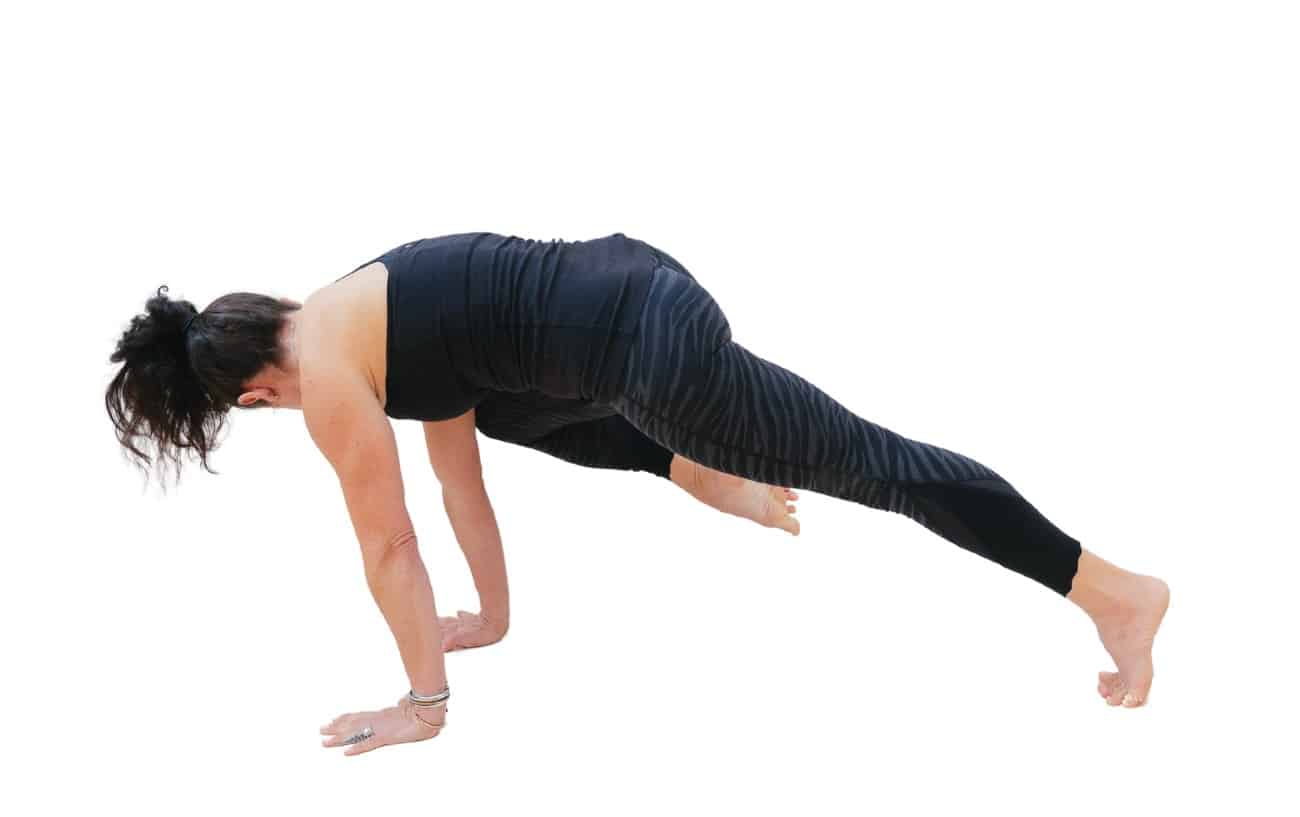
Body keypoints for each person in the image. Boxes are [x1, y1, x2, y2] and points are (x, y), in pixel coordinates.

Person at [104, 231, 1170, 755]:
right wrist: (495, 617)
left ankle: (1112, 591)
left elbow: (391, 548)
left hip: (652, 358)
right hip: (628, 296)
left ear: (253, 389)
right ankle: (695, 460)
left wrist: (422, 705)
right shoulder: (357, 308)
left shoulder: (331, 383)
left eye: (264, 406)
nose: (286, 411)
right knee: (511, 407)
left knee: (878, 467)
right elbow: (454, 471)